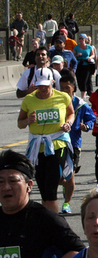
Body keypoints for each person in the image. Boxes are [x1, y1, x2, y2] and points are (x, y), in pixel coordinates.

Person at [18, 75, 76, 213]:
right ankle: (47, 222)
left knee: (50, 191)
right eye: (40, 85)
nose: (43, 88)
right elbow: (20, 123)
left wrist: (68, 124)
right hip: (38, 148)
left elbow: (71, 114)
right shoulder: (29, 99)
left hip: (57, 144)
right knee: (44, 190)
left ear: (52, 83)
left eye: (47, 85)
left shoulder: (62, 97)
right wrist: (28, 121)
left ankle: (54, 225)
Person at [59, 71, 96, 214]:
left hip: (73, 143)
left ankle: (66, 203)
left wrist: (86, 126)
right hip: (57, 142)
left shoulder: (80, 104)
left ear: (73, 88)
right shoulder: (55, 101)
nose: (64, 91)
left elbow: (91, 118)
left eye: (67, 88)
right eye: (61, 88)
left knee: (70, 175)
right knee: (58, 176)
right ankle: (63, 182)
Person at [73, 34, 97, 98]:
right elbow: (72, 56)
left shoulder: (89, 47)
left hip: (87, 64)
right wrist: (77, 55)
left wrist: (90, 58)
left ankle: (82, 97)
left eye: (82, 38)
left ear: (85, 39)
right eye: (80, 38)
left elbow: (93, 55)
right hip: (79, 64)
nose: (81, 40)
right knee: (79, 80)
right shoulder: (76, 47)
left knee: (84, 80)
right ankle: (82, 90)